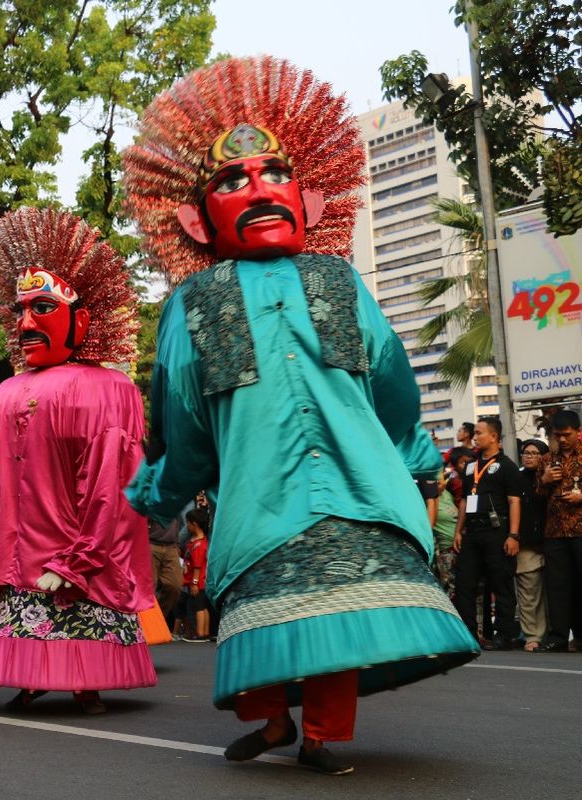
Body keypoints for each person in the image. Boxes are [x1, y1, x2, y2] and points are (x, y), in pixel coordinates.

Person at [123, 56, 478, 774]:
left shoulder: (339, 279)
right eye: (232, 181)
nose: (257, 190)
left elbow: (391, 382)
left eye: (273, 174)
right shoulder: (193, 304)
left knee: (336, 623)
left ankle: (314, 733)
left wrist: (412, 455)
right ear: (196, 217)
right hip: (260, 499)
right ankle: (279, 725)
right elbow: (184, 418)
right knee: (261, 613)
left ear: (308, 201)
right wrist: (161, 488)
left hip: (355, 490)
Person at [0, 207, 156, 714]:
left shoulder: (108, 389)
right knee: (25, 610)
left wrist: (82, 558)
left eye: (42, 308)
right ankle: (30, 678)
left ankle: (85, 682)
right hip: (25, 557)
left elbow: (114, 482)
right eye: (20, 309)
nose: (26, 322)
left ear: (81, 320)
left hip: (76, 555)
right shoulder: (7, 392)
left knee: (77, 612)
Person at [452, 416, 521, 649]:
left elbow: (514, 502)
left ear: (493, 436)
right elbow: (464, 500)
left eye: (480, 433)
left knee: (501, 583)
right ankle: (469, 634)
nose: (475, 436)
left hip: (497, 531)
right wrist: (458, 531)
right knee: (464, 584)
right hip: (472, 532)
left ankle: (504, 635)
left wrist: (513, 535)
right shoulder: (471, 464)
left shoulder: (507, 466)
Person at [537, 410, 582, 653]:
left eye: (567, 435)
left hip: (580, 529)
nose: (562, 440)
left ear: (578, 432)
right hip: (555, 532)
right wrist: (543, 480)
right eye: (558, 436)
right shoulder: (546, 459)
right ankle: (558, 637)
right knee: (557, 586)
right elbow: (537, 495)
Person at [516, 439, 549, 650]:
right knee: (528, 593)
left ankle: (557, 634)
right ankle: (532, 636)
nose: (529, 456)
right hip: (526, 543)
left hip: (555, 542)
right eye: (526, 452)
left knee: (557, 593)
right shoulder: (516, 479)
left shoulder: (555, 476)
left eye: (535, 453)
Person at [180, 508, 211, 642]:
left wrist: (194, 583)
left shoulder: (198, 545)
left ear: (194, 524)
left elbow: (197, 566)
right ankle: (204, 632)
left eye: (187, 523)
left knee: (198, 607)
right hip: (199, 581)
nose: (187, 526)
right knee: (202, 606)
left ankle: (199, 633)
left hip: (197, 582)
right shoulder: (198, 541)